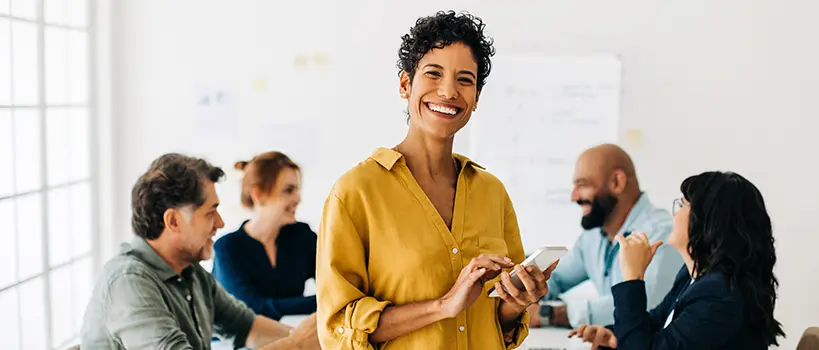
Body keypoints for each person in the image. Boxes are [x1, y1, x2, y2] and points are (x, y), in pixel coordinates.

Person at [315, 10, 556, 350]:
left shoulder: (492, 192)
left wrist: (518, 302)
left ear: (476, 98)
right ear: (405, 84)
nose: (448, 91)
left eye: (464, 80)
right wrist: (443, 306)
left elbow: (498, 321)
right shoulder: (356, 192)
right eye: (433, 73)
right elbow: (339, 327)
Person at [81, 153, 320, 350]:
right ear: (173, 221)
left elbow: (247, 327)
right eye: (210, 212)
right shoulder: (129, 282)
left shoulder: (191, 272)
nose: (220, 223)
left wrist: (318, 341)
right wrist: (297, 343)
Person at [569, 171, 785, 349]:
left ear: (706, 222)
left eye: (682, 205)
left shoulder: (719, 295)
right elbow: (656, 323)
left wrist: (632, 278)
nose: (674, 214)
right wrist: (614, 334)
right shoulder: (693, 276)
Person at [529, 144, 682, 328]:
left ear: (617, 182)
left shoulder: (660, 234)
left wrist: (552, 314)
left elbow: (645, 302)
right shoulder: (594, 236)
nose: (573, 196)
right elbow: (557, 278)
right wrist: (527, 290)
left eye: (582, 184)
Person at [213, 151, 317, 320]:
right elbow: (251, 309)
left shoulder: (302, 236)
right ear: (258, 195)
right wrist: (320, 303)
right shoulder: (227, 248)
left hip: (289, 337)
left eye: (297, 189)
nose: (298, 198)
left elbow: (335, 287)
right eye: (288, 190)